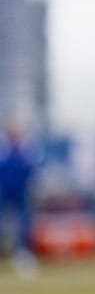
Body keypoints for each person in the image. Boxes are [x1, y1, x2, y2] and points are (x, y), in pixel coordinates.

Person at [0, 119, 40, 278]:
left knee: (25, 224)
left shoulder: (27, 149)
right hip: (4, 192)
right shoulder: (4, 149)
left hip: (22, 193)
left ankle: (23, 254)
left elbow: (32, 170)